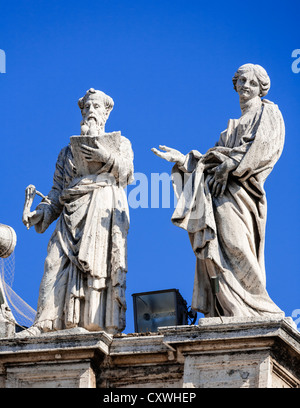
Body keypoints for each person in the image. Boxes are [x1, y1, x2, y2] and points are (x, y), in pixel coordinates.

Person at [152, 64, 285, 318]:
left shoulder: (269, 112)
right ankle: (229, 308)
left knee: (238, 247)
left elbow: (266, 148)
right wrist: (183, 161)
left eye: (252, 83)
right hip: (218, 194)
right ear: (235, 84)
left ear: (261, 89)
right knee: (215, 254)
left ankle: (259, 308)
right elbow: (208, 164)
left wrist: (231, 164)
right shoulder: (231, 127)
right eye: (242, 81)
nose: (246, 86)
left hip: (242, 194)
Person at [23, 88, 134, 334]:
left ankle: (94, 321)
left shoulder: (120, 143)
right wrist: (42, 212)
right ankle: (44, 322)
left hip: (101, 207)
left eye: (96, 107)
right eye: (87, 108)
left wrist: (104, 156)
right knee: (53, 261)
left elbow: (127, 173)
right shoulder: (66, 152)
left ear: (106, 113)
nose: (90, 112)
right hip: (70, 211)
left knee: (96, 266)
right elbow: (56, 191)